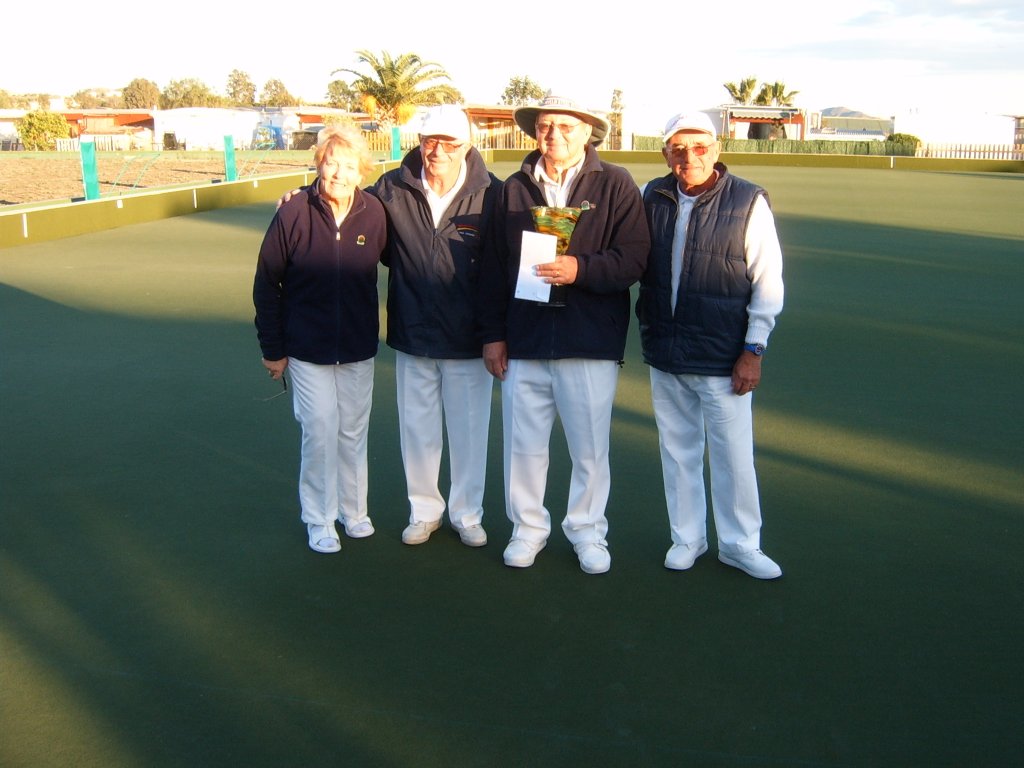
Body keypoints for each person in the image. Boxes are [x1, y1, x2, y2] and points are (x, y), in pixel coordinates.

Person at [478, 93, 650, 574]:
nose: (553, 135)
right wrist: (493, 334)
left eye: (565, 126)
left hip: (589, 341)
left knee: (589, 449)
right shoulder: (512, 188)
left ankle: (588, 531)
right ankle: (527, 530)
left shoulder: (615, 183)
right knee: (523, 447)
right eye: (545, 126)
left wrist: (580, 269)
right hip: (525, 339)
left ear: (587, 132)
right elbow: (492, 268)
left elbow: (634, 258)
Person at [637, 110, 785, 579]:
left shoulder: (748, 200)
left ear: (716, 149)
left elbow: (768, 283)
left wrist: (753, 350)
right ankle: (688, 538)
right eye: (679, 149)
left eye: (699, 147)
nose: (690, 157)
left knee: (733, 457)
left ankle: (740, 545)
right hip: (666, 351)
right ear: (666, 154)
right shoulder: (651, 195)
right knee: (677, 451)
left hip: (723, 356)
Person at [253, 124, 387, 554]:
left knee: (353, 431)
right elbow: (266, 283)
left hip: (357, 347)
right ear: (318, 164)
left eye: (349, 166)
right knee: (320, 429)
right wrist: (273, 349)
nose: (339, 173)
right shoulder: (293, 212)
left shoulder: (374, 213)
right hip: (306, 349)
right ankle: (319, 518)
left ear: (362, 172)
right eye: (331, 163)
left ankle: (354, 512)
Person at [373, 105, 501, 548]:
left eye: (449, 143)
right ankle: (424, 511)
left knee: (469, 432)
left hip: (469, 339)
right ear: (420, 143)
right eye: (430, 141)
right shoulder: (391, 186)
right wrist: (301, 195)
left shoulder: (493, 193)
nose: (438, 151)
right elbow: (349, 208)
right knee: (417, 430)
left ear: (467, 145)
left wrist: (495, 335)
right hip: (413, 332)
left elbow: (502, 270)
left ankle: (467, 514)